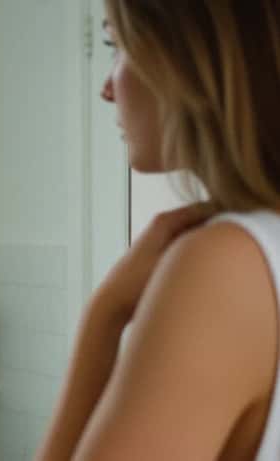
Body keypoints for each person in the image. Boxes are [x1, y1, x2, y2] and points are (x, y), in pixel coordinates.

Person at [37, 1, 280, 459]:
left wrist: (103, 319)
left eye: (117, 45)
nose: (107, 89)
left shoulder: (225, 265)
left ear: (189, 56)